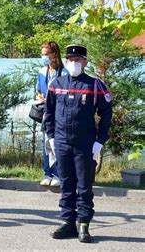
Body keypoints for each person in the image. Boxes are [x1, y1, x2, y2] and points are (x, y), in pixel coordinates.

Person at [44, 44, 112, 243]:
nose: (74, 63)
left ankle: (83, 224)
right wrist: (51, 137)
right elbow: (48, 112)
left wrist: (100, 141)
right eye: (71, 60)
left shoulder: (94, 85)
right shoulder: (56, 83)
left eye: (78, 60)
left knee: (84, 186)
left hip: (85, 144)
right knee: (66, 184)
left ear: (85, 62)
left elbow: (106, 113)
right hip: (62, 142)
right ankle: (67, 223)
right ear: (66, 61)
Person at [36, 41, 67, 187]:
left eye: (46, 54)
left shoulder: (63, 72)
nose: (44, 57)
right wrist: (40, 97)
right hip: (46, 113)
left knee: (57, 143)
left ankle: (58, 174)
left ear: (54, 55)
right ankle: (47, 173)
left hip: (59, 113)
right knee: (46, 144)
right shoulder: (42, 72)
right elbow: (38, 90)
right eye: (42, 54)